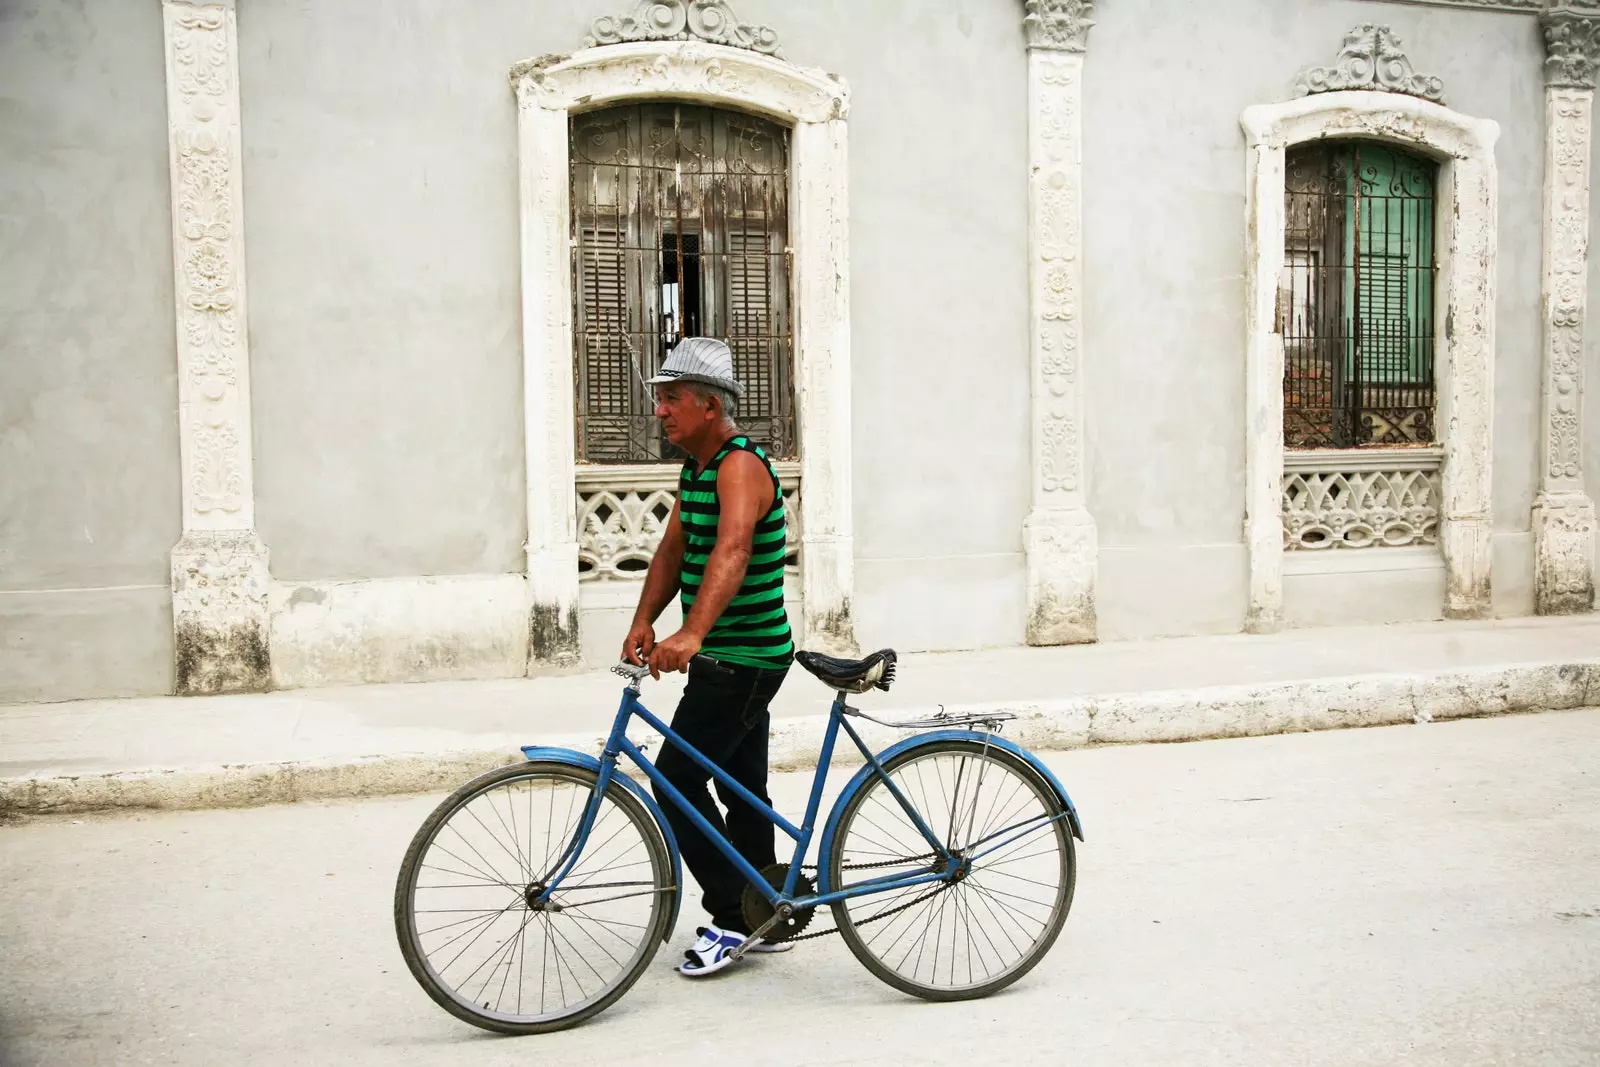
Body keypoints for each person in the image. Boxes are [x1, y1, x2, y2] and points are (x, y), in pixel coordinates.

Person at [621, 336, 796, 978]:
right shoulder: (696, 466)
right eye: (660, 400)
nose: (660, 412)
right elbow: (674, 551)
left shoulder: (738, 465)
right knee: (740, 786)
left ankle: (733, 916)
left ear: (708, 406)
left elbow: (733, 550)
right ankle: (767, 912)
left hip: (744, 657)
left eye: (670, 400)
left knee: (674, 783)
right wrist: (644, 620)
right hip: (731, 654)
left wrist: (691, 634)